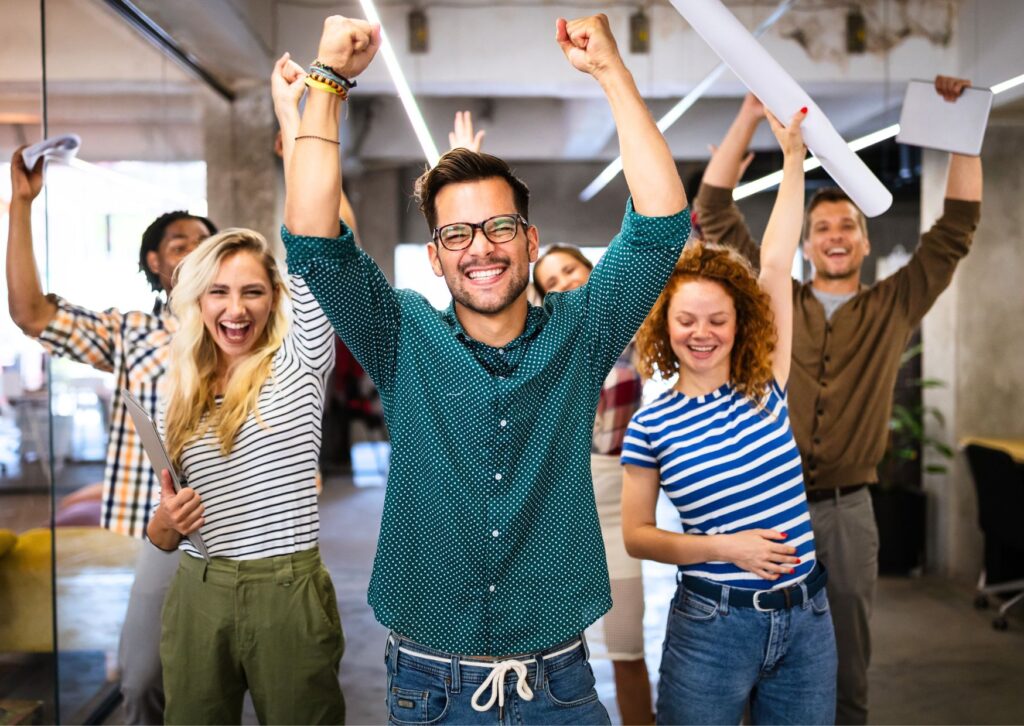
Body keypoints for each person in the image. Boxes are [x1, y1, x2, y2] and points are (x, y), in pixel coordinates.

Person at [282, 13, 690, 724]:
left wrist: (610, 73)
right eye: (457, 234)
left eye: (500, 227)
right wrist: (328, 82)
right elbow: (315, 244)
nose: (482, 247)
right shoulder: (400, 332)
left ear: (529, 240)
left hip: (559, 686)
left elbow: (659, 228)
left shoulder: (582, 331)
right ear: (436, 255)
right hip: (429, 687)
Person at [694, 77, 983, 724]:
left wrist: (962, 126)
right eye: (820, 225)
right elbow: (714, 211)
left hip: (848, 513)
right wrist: (747, 114)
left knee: (847, 674)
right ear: (804, 242)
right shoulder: (775, 302)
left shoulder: (893, 305)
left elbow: (957, 228)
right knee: (751, 671)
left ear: (864, 239)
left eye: (847, 225)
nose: (833, 235)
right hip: (764, 507)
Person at [622, 108, 838, 725]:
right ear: (665, 325)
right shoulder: (652, 425)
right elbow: (638, 535)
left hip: (807, 621)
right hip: (711, 626)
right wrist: (726, 548)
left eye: (718, 319)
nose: (702, 333)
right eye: (686, 320)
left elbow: (774, 262)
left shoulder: (766, 383)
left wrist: (793, 161)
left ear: (741, 323)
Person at [6, 147, 215, 725]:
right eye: (180, 242)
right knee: (144, 680)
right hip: (154, 534)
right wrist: (21, 205)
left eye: (205, 241)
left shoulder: (247, 328)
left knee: (218, 689)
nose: (195, 248)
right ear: (153, 262)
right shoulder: (130, 333)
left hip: (238, 532)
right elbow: (30, 314)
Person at [145, 224, 342, 725]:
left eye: (252, 292)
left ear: (275, 297)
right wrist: (169, 517)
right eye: (219, 292)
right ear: (199, 301)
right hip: (197, 589)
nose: (236, 310)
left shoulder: (300, 364)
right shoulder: (181, 390)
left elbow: (319, 242)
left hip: (285, 591)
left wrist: (301, 146)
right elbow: (163, 535)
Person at [533, 245, 653, 725]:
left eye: (569, 270)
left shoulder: (634, 330)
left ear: (591, 270)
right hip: (559, 516)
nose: (564, 283)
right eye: (551, 283)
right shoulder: (543, 349)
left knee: (627, 647)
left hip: (619, 512)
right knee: (551, 659)